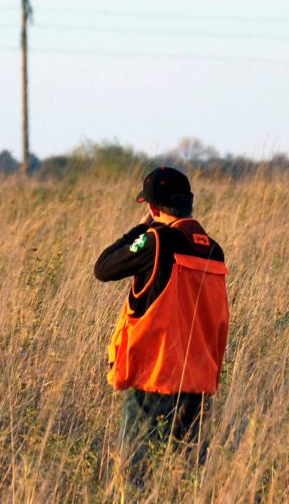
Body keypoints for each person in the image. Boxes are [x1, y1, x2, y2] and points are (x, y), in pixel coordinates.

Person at [94, 166, 229, 480]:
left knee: (135, 480)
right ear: (190, 201)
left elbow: (103, 267)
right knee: (187, 480)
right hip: (197, 382)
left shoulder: (155, 241)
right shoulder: (213, 249)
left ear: (152, 209)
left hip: (153, 381)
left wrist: (139, 231)